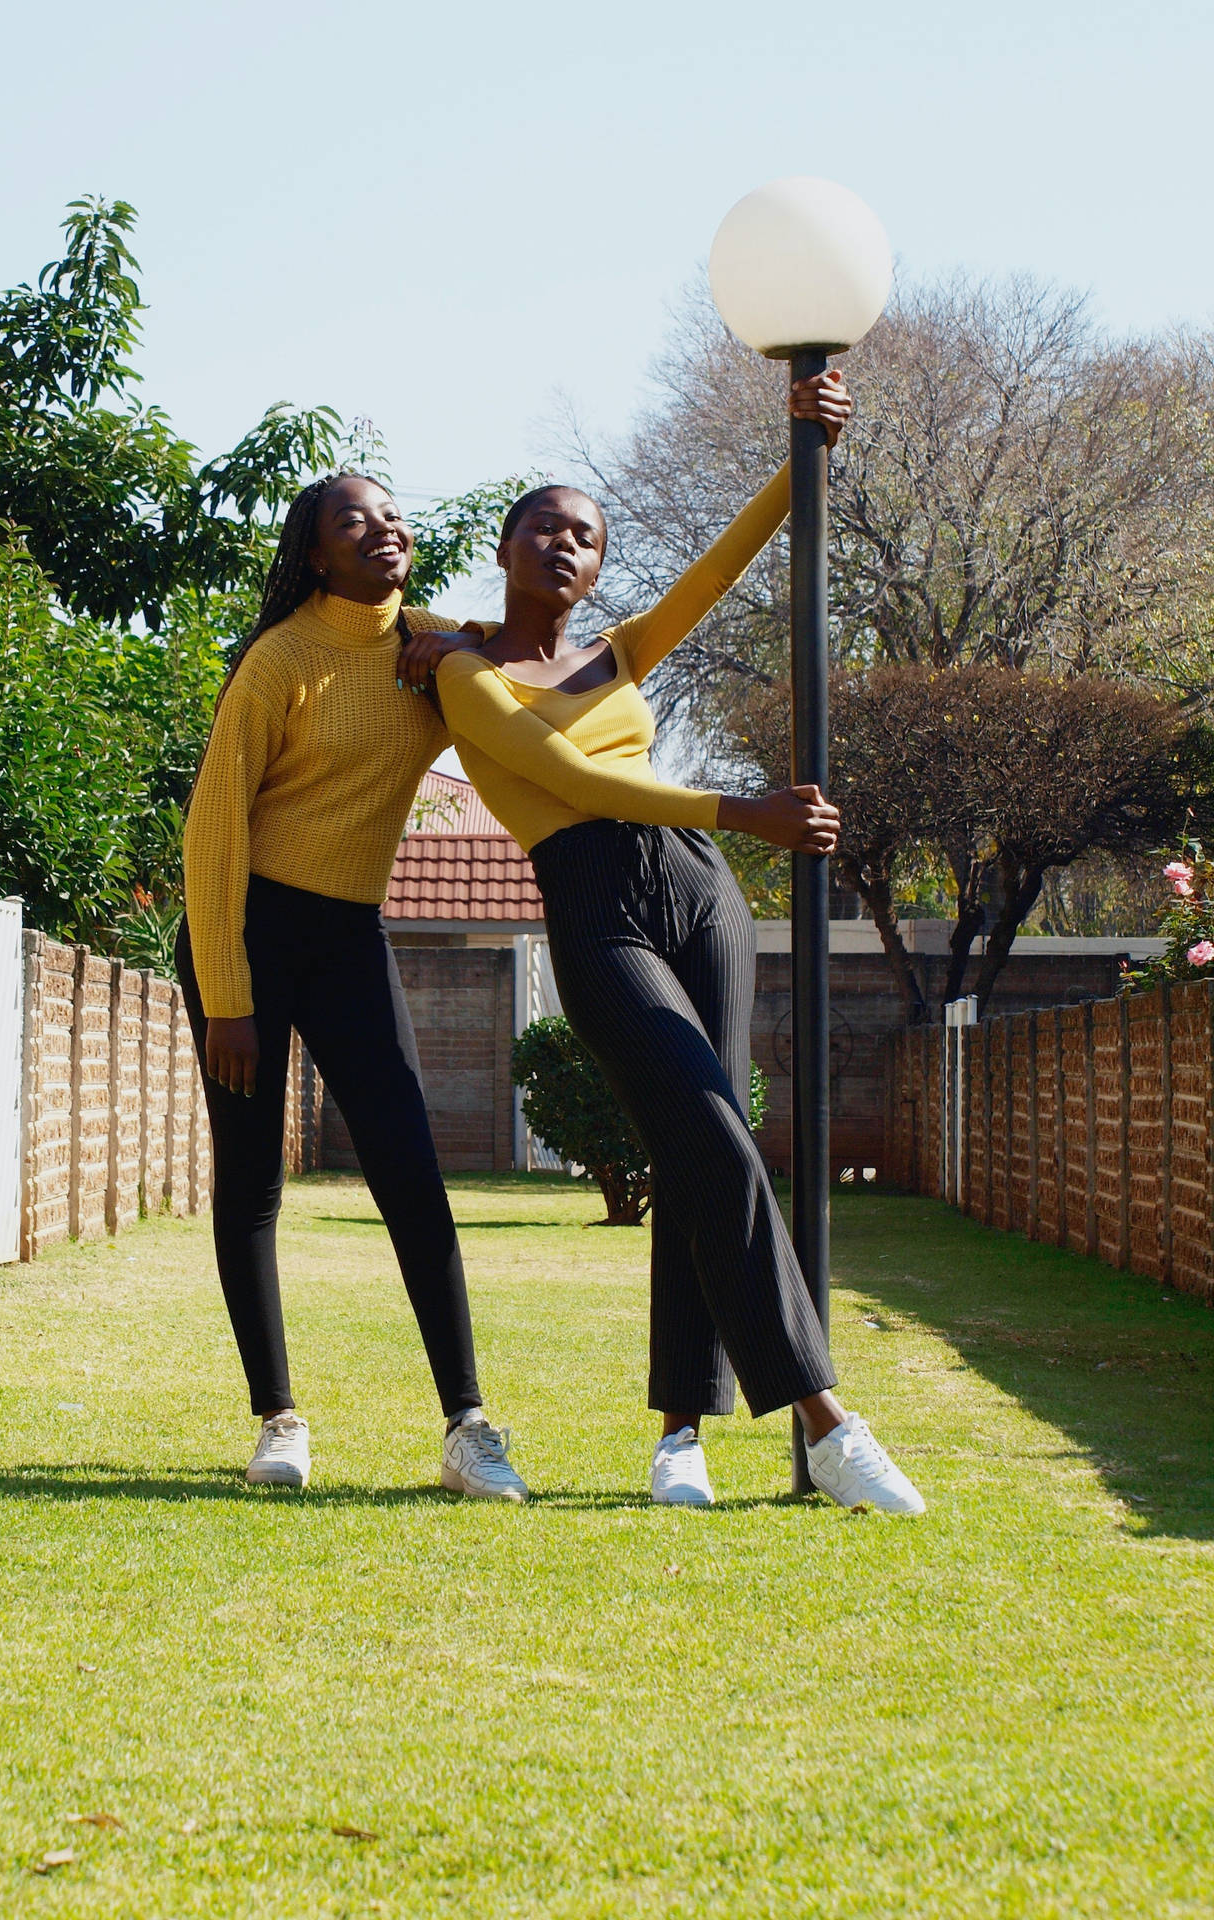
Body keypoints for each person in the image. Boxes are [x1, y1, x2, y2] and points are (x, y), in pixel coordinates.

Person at [402, 370, 923, 1515]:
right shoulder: (460, 669)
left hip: (699, 893)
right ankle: (827, 1422)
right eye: (546, 526)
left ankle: (679, 1436)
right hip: (594, 900)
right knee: (702, 1129)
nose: (567, 546)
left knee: (711, 1141)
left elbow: (728, 563)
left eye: (587, 537)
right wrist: (751, 811)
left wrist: (805, 451)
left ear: (597, 564)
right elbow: (573, 778)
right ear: (506, 543)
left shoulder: (624, 653)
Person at [177, 472, 527, 1501]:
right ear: (317, 552)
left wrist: (464, 649)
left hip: (349, 938)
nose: (381, 530)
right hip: (247, 930)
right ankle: (276, 1420)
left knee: (411, 1171)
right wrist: (228, 996)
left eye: (389, 515)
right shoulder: (282, 659)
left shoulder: (431, 648)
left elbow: (533, 670)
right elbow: (213, 825)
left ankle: (467, 1424)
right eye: (351, 521)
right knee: (250, 1182)